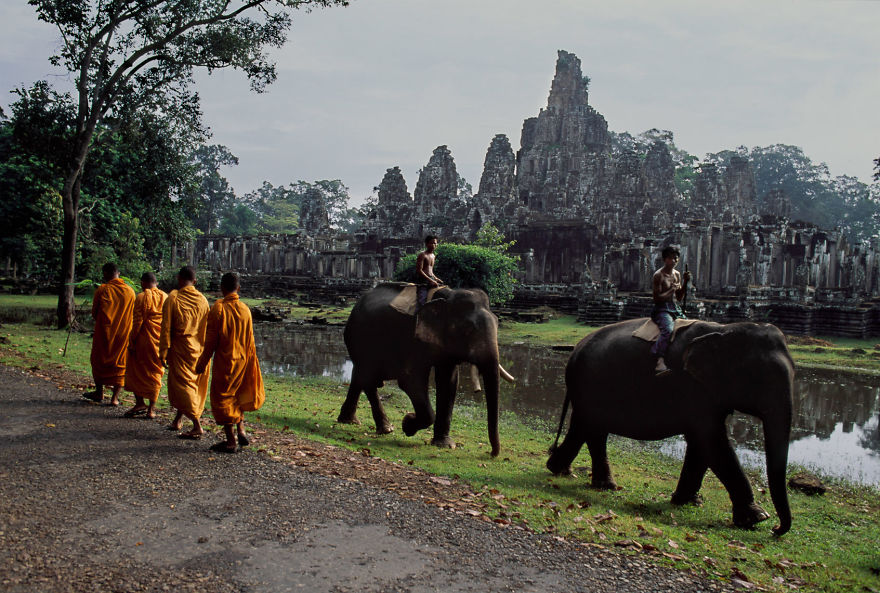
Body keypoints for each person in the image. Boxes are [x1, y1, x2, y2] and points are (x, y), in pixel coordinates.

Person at [195, 272, 265, 454]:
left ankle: (230, 441)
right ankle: (241, 429)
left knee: (223, 398)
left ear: (221, 288)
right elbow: (250, 340)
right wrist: (252, 362)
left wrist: (202, 362)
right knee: (237, 395)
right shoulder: (245, 309)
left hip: (226, 361)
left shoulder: (218, 309)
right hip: (243, 360)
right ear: (238, 288)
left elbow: (210, 341)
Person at [159, 265, 210, 439]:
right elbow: (206, 327)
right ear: (195, 281)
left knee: (184, 386)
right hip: (197, 350)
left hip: (180, 349)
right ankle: (178, 420)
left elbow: (165, 327)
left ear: (179, 279)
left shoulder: (173, 298)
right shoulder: (203, 300)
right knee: (188, 385)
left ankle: (197, 425)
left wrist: (163, 351)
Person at [83, 262, 136, 406]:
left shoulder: (102, 290)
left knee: (98, 360)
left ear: (106, 273)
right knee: (120, 363)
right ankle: (115, 398)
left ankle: (99, 392)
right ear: (118, 273)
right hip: (123, 333)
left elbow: (95, 312)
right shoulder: (130, 291)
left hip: (104, 333)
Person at [122, 272, 168, 419]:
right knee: (155, 373)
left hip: (143, 340)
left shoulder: (142, 297)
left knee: (137, 371)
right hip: (159, 342)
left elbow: (137, 323)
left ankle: (140, 402)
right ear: (156, 283)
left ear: (142, 283)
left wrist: (132, 340)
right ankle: (151, 409)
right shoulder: (166, 298)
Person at [651, 246, 690, 376]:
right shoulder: (658, 275)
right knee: (667, 329)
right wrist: (671, 290)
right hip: (662, 309)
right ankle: (659, 359)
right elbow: (657, 299)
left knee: (689, 327)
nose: (675, 260)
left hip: (674, 308)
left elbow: (679, 297)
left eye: (676, 258)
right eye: (672, 258)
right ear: (665, 259)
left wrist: (685, 283)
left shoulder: (677, 274)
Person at [415, 235, 443, 307]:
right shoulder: (422, 255)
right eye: (432, 243)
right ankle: (417, 316)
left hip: (431, 280)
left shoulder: (433, 256)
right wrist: (430, 280)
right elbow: (419, 270)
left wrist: (436, 278)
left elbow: (430, 271)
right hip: (423, 281)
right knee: (422, 302)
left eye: (435, 243)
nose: (434, 245)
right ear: (427, 244)